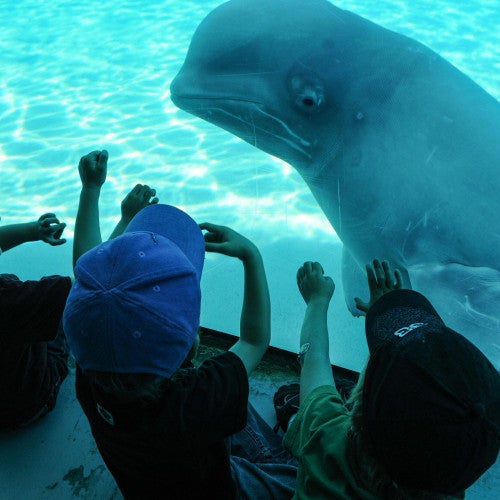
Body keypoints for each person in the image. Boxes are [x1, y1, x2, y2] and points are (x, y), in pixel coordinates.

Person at [63, 150, 297, 499]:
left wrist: (103, 199)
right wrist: (251, 255)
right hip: (218, 490)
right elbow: (254, 340)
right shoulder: (200, 398)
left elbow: (88, 268)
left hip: (145, 486)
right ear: (194, 345)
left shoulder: (88, 374)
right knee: (297, 475)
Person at [281, 259, 500, 499]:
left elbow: (313, 358)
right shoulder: (451, 466)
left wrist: (316, 300)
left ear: (362, 413)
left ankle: (292, 421)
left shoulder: (326, 436)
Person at [0, 212, 71, 429]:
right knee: (66, 317)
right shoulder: (11, 298)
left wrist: (33, 230)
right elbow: (87, 282)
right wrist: (91, 190)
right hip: (26, 405)